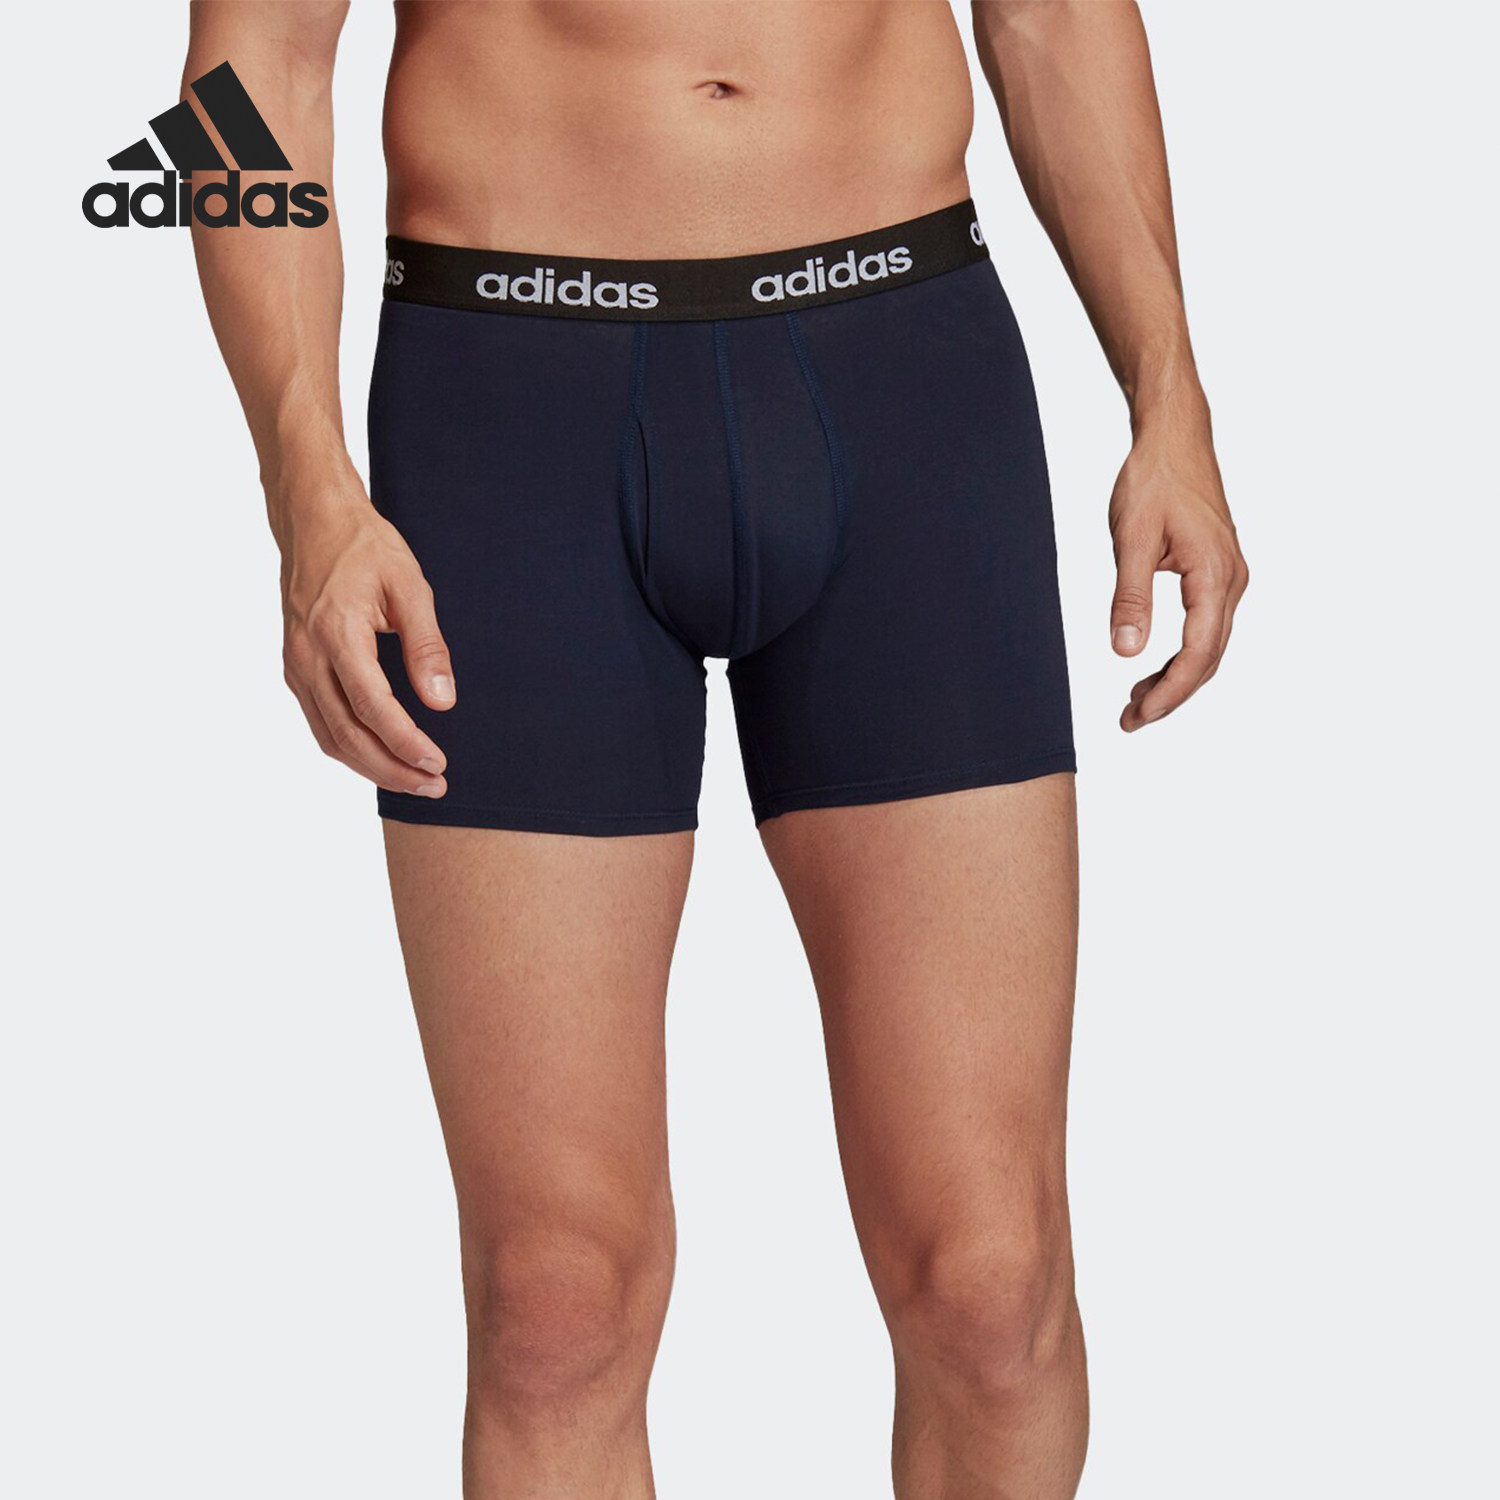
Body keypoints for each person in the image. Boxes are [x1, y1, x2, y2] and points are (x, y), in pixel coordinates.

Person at [187, 2, 1247, 1495]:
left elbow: (1052, 10)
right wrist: (304, 483)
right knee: (555, 1301)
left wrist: (1170, 397)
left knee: (990, 1279)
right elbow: (252, 68)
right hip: (510, 417)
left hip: (905, 372)